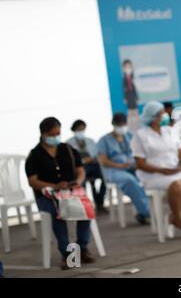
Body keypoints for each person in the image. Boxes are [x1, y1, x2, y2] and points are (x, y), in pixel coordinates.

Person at [25, 117, 95, 269]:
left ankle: (82, 247)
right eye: (52, 134)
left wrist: (78, 181)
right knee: (57, 213)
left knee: (86, 209)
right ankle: (67, 253)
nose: (56, 137)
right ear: (43, 134)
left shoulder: (68, 150)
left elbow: (80, 170)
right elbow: (33, 181)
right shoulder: (35, 155)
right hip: (47, 194)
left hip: (70, 191)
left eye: (58, 133)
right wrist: (54, 186)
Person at [131, 101, 181, 238]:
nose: (166, 115)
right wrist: (162, 171)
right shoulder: (140, 136)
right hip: (153, 174)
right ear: (154, 116)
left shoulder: (170, 130)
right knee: (176, 186)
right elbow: (140, 163)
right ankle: (179, 221)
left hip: (175, 170)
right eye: (162, 113)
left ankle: (173, 217)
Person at [97, 113, 151, 225]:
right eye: (119, 125)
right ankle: (146, 212)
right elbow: (103, 161)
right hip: (114, 170)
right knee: (130, 181)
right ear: (114, 124)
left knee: (147, 176)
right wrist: (119, 166)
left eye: (123, 124)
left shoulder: (130, 136)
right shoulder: (104, 140)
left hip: (132, 167)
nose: (122, 127)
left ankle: (145, 211)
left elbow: (139, 153)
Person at [67, 120, 107, 213]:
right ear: (74, 129)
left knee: (105, 177)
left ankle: (99, 203)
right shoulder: (68, 144)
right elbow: (71, 160)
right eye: (79, 129)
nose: (81, 131)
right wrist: (84, 161)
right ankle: (86, 206)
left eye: (83, 129)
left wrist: (93, 159)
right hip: (80, 168)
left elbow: (97, 155)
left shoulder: (90, 141)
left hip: (93, 166)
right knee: (81, 181)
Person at [122, 59, 140, 132]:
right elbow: (124, 89)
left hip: (133, 96)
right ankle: (130, 126)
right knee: (130, 111)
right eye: (126, 67)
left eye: (129, 67)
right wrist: (125, 98)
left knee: (135, 111)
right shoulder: (125, 78)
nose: (128, 69)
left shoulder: (133, 77)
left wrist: (137, 97)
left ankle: (136, 125)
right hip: (128, 96)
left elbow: (135, 88)